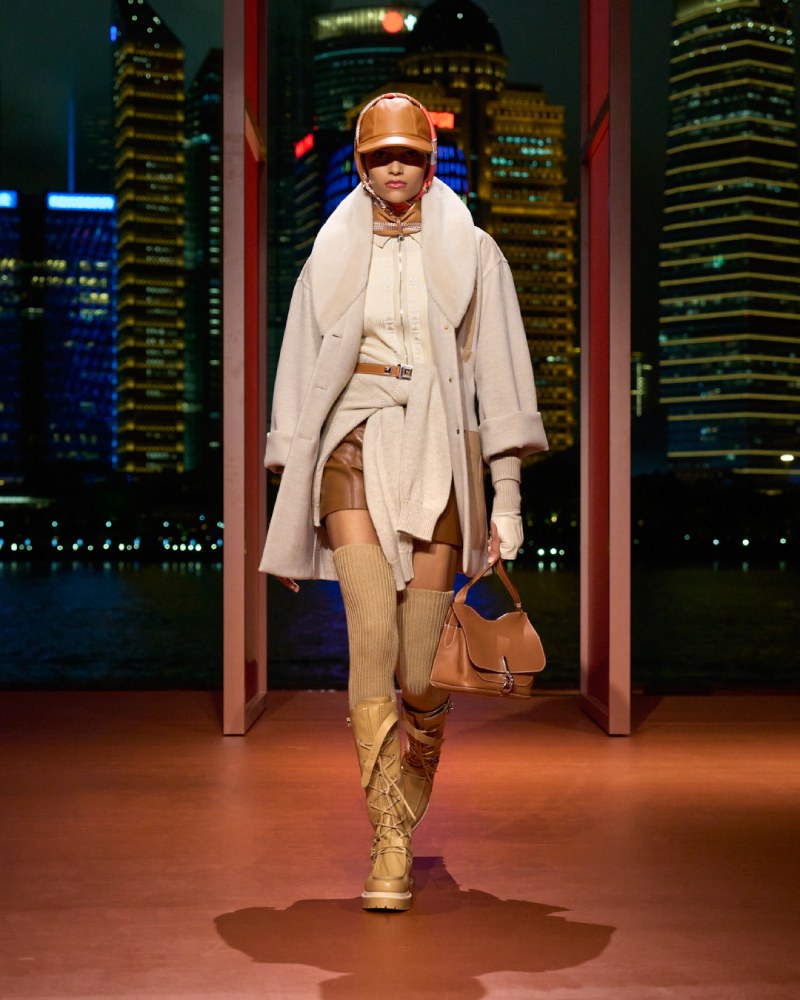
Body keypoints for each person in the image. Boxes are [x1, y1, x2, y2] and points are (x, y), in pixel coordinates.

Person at [259, 93, 548, 912]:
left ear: (429, 162)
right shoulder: (328, 253)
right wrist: (289, 506)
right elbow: (298, 374)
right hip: (350, 443)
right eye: (379, 155)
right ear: (359, 164)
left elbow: (502, 376)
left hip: (437, 451)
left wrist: (507, 497)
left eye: (409, 155)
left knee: (420, 668)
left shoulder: (473, 252)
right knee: (370, 635)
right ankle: (389, 836)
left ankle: (418, 751)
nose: (395, 168)